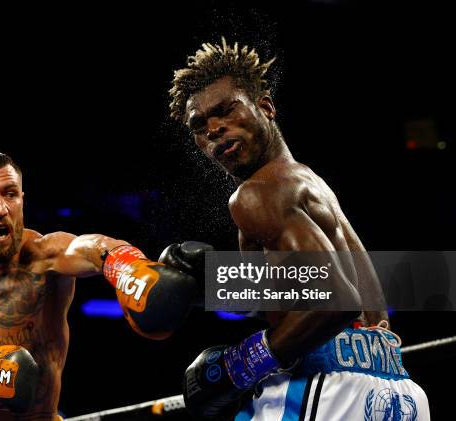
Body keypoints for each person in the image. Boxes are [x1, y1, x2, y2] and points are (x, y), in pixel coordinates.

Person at [166, 38, 430, 420]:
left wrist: (241, 365)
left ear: (266, 107)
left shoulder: (255, 194)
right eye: (201, 127)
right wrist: (212, 285)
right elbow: (303, 292)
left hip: (325, 386)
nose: (215, 129)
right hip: (397, 388)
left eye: (225, 111)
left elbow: (337, 301)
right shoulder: (308, 184)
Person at [0, 148, 198, 421]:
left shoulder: (47, 257)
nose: (0, 209)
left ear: (22, 199)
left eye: (10, 194)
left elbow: (89, 247)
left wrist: (126, 265)